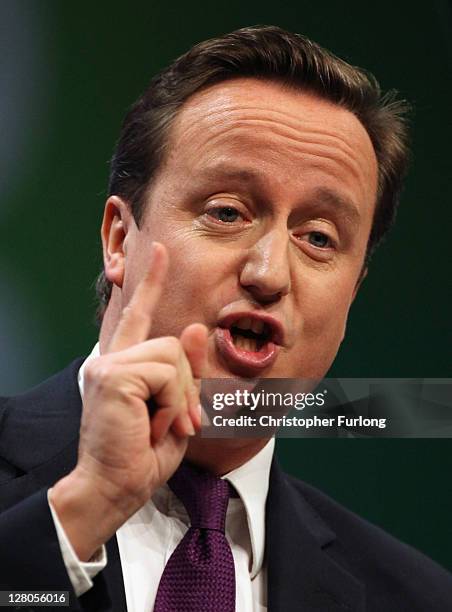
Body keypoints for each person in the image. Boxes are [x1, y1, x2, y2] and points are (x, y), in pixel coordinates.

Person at [0, 25, 451, 612]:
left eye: (317, 237)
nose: (269, 273)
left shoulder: (415, 597)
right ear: (118, 240)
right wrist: (82, 511)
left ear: (352, 293)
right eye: (228, 212)